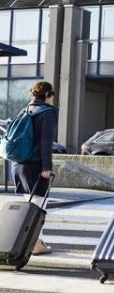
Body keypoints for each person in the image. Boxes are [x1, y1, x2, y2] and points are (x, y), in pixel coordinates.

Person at [12, 80, 58, 256]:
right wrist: (47, 167)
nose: (52, 98)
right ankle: (35, 243)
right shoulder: (47, 113)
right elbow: (46, 142)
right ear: (47, 95)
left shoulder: (24, 111)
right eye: (52, 94)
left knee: (30, 205)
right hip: (35, 166)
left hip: (19, 165)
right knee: (39, 207)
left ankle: (29, 241)